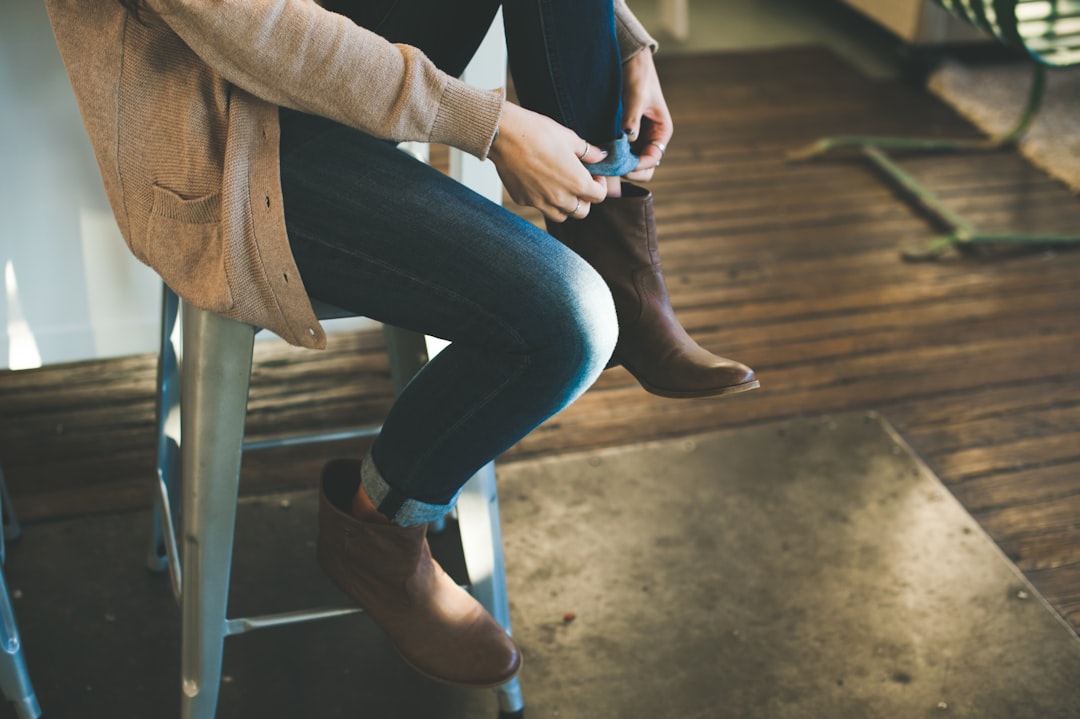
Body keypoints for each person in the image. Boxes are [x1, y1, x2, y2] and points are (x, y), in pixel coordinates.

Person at [46, 0, 757, 691]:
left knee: (585, 310)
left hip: (335, 79)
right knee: (567, 325)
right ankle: (376, 531)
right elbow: (251, 25)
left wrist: (622, 43)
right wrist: (489, 126)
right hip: (230, 143)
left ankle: (616, 251)